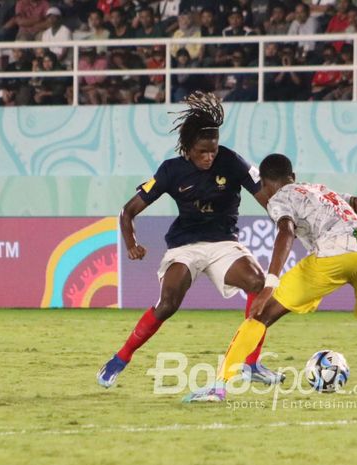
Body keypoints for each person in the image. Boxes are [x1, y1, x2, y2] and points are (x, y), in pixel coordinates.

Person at [184, 153, 357, 403]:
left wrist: (270, 284)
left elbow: (285, 232)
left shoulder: (278, 199)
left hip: (333, 255)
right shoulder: (324, 191)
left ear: (264, 184)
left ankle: (218, 387)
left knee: (261, 316)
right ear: (293, 175)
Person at [97, 92, 284, 388]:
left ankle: (251, 363)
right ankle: (121, 357)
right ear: (188, 148)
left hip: (223, 243)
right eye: (202, 152)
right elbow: (128, 210)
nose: (209, 157)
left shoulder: (232, 161)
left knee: (258, 284)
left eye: (213, 150)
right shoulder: (171, 170)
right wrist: (131, 242)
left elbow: (266, 198)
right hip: (184, 246)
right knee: (168, 303)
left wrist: (281, 217)